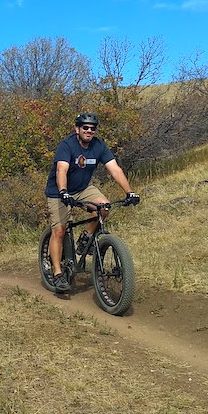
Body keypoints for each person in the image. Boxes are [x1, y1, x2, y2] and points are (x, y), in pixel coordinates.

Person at [44, 112, 140, 293]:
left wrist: (130, 192)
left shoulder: (98, 146)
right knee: (59, 230)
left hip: (82, 189)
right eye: (85, 128)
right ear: (77, 129)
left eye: (92, 128)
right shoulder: (67, 145)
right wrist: (63, 192)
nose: (89, 131)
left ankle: (86, 238)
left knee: (104, 207)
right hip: (58, 192)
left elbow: (115, 169)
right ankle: (57, 274)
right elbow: (61, 170)